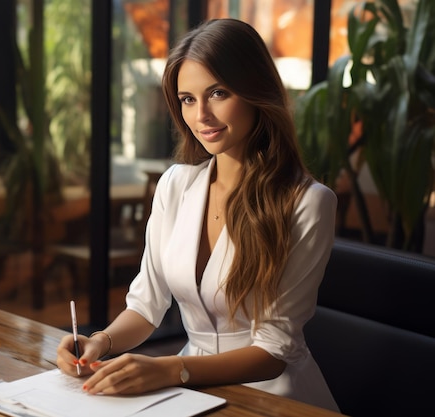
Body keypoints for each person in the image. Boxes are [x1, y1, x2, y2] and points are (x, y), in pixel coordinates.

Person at [56, 18, 339, 412]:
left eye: (217, 93)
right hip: (190, 392)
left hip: (273, 398)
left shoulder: (307, 203)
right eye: (187, 99)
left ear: (256, 90)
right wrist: (99, 342)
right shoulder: (176, 185)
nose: (201, 114)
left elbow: (274, 352)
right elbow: (145, 305)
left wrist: (170, 369)